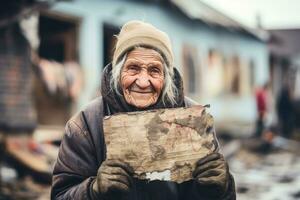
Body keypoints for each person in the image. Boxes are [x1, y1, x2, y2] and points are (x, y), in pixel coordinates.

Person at [51, 20, 236, 200]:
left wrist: (221, 188)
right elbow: (60, 195)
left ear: (166, 77)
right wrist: (93, 191)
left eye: (154, 70)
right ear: (117, 71)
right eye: (133, 68)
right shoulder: (85, 124)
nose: (142, 82)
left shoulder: (193, 120)